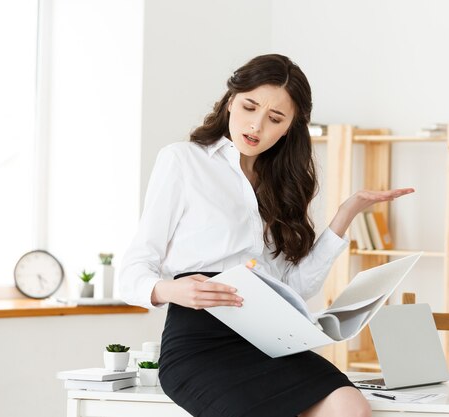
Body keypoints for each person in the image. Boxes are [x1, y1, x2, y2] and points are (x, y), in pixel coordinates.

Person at [120, 54, 414, 417]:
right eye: (249, 106)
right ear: (231, 101)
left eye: (275, 118)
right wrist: (172, 290)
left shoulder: (281, 185)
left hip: (270, 340)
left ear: (289, 128)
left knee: (349, 406)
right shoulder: (182, 161)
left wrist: (344, 215)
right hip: (200, 342)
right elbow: (133, 269)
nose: (256, 125)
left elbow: (297, 285)